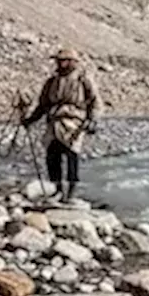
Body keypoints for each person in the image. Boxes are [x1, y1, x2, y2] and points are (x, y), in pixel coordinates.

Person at [22, 47, 100, 202]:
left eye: (62, 60)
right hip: (54, 123)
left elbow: (95, 102)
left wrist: (93, 120)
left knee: (72, 156)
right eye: (58, 60)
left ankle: (71, 192)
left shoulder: (83, 79)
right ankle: (57, 189)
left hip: (74, 123)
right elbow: (43, 105)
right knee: (52, 156)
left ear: (72, 62)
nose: (59, 63)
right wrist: (31, 119)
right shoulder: (52, 81)